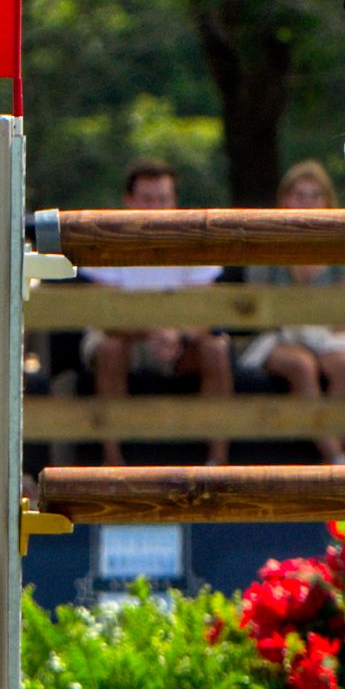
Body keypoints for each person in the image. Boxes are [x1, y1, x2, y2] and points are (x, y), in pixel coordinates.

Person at [236, 160, 345, 467]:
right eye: (299, 194)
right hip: (277, 336)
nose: (306, 202)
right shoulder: (265, 243)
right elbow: (259, 308)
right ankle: (334, 456)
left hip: (329, 335)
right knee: (301, 366)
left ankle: (337, 453)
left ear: (327, 200)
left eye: (314, 195)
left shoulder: (341, 247)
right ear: (284, 200)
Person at [79, 160, 231, 465]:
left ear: (174, 201)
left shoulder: (194, 241)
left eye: (163, 199)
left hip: (180, 341)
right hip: (123, 340)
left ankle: (219, 461)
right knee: (109, 349)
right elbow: (105, 313)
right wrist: (153, 330)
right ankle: (113, 461)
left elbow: (207, 308)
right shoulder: (105, 240)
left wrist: (178, 333)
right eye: (147, 199)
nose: (156, 206)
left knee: (216, 349)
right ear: (128, 201)